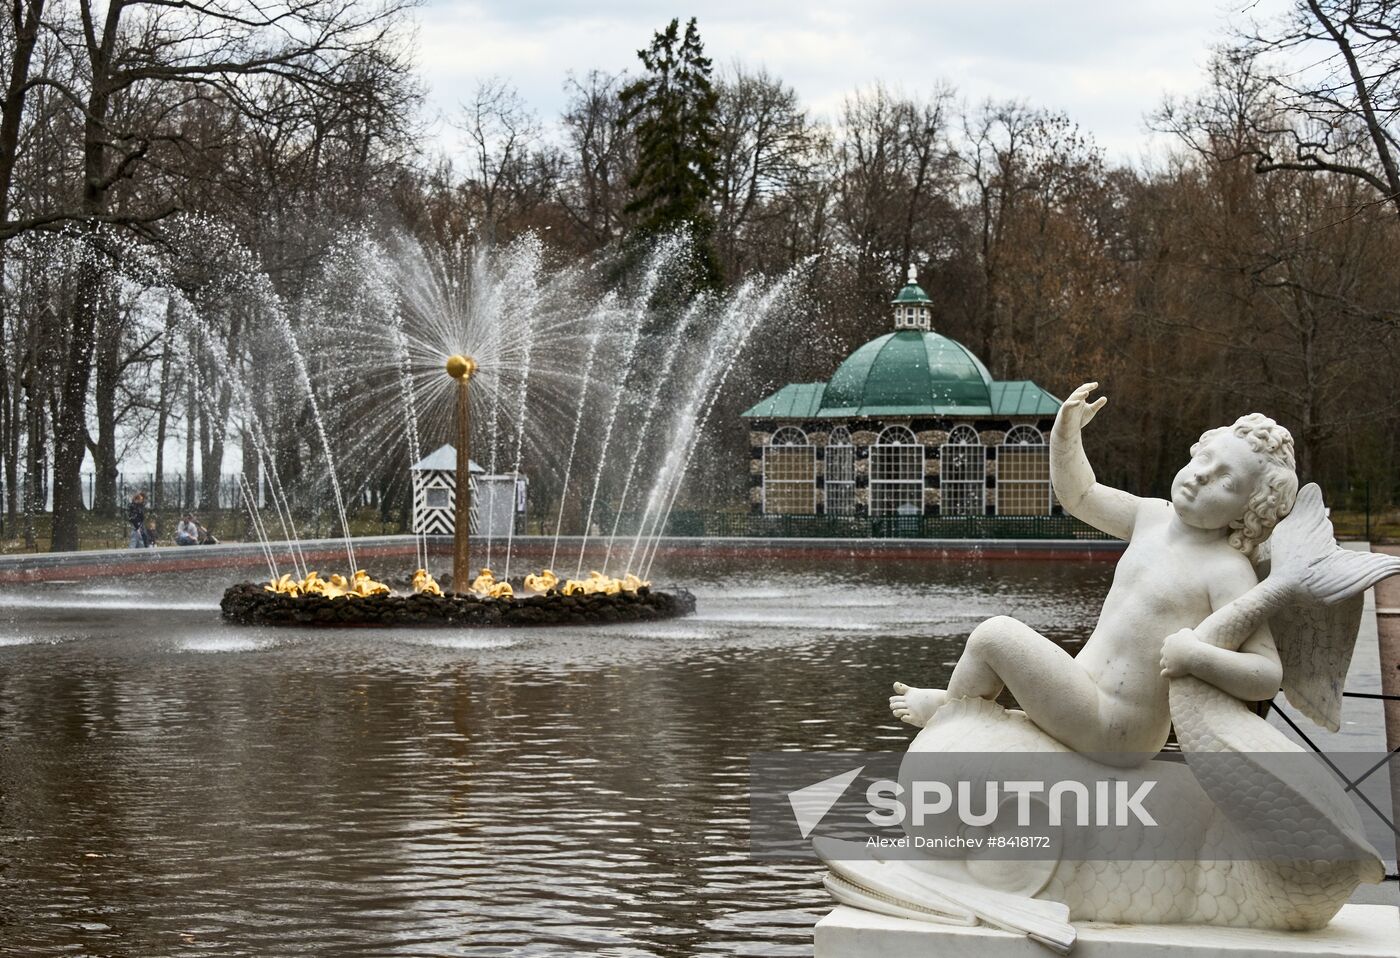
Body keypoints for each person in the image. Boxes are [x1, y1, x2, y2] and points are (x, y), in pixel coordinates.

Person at [890, 382, 1296, 758]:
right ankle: (964, 708)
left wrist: (1195, 657)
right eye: (1207, 459)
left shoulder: (1228, 571)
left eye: (1227, 480)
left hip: (1121, 725)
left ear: (1250, 510)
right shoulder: (1152, 516)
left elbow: (1265, 675)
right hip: (1082, 690)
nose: (1203, 475)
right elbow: (1080, 494)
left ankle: (954, 709)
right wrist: (1065, 436)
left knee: (994, 635)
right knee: (998, 661)